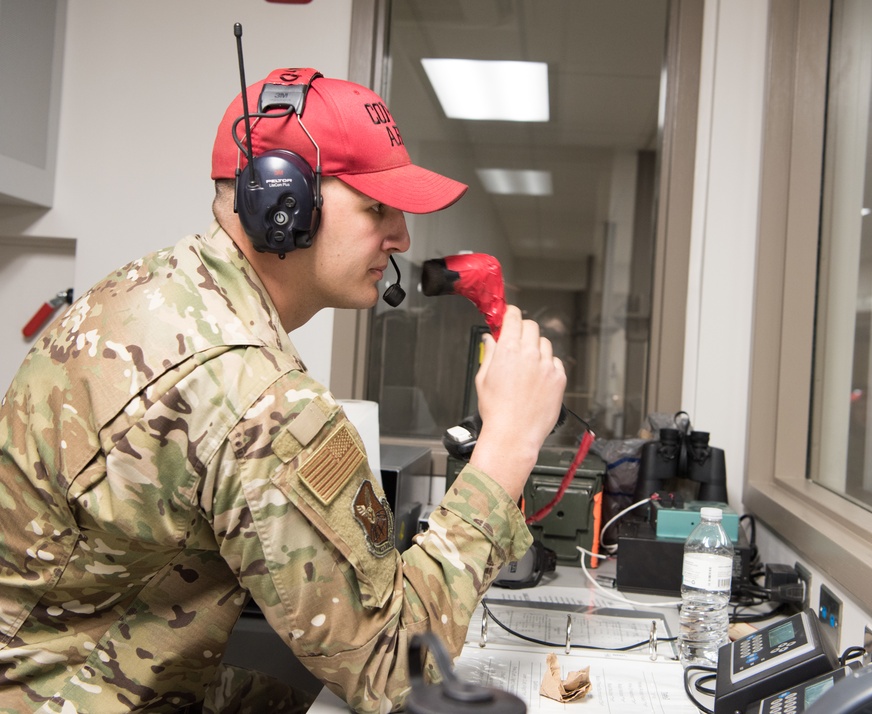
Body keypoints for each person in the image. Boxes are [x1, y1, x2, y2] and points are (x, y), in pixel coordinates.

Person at [0, 68, 566, 713]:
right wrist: (508, 448)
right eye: (375, 207)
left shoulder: (145, 285)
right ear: (282, 207)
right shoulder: (257, 398)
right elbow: (392, 672)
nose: (403, 237)